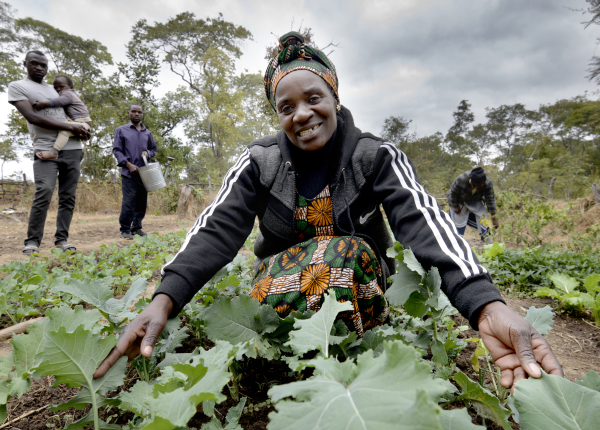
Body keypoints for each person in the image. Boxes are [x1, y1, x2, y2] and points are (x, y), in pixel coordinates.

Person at [94, 32, 563, 391]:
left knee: (344, 255)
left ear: (334, 97)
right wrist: (164, 298)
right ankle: (289, 358)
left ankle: (339, 364)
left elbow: (423, 221)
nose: (301, 114)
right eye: (286, 106)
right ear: (277, 115)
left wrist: (486, 305)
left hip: (359, 283)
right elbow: (216, 228)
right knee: (321, 261)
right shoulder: (260, 161)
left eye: (312, 98)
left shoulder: (374, 155)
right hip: (278, 288)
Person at [7, 50, 91, 254]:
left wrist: (83, 130)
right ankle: (33, 240)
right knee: (44, 190)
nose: (39, 68)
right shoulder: (18, 86)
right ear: (25, 63)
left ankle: (62, 240)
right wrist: (71, 127)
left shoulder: (57, 89)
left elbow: (74, 111)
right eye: (34, 63)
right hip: (45, 147)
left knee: (68, 196)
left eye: (43, 65)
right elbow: (32, 117)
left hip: (72, 148)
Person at [112, 104, 157, 240]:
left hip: (144, 174)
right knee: (129, 201)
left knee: (141, 203)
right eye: (134, 111)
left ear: (142, 115)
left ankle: (136, 228)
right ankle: (125, 229)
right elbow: (117, 150)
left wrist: (148, 153)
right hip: (129, 173)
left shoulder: (147, 133)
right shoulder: (121, 130)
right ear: (129, 113)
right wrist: (127, 164)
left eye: (139, 112)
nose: (136, 114)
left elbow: (153, 150)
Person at [31, 74, 92, 161]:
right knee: (60, 125)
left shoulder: (68, 94)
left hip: (83, 122)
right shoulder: (65, 94)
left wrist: (45, 103)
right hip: (75, 120)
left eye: (61, 86)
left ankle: (54, 151)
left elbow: (60, 101)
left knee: (65, 130)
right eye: (55, 88)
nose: (58, 89)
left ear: (70, 87)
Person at [448, 167, 499, 242]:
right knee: (458, 219)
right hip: (459, 200)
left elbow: (490, 200)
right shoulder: (462, 179)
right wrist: (455, 206)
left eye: (483, 183)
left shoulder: (488, 183)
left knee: (483, 217)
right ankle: (457, 239)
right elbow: (453, 193)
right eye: (479, 183)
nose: (481, 185)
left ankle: (485, 237)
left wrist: (494, 219)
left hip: (476, 200)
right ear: (472, 181)